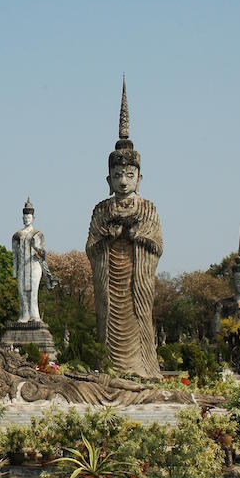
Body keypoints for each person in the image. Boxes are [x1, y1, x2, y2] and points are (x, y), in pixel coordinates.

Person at [86, 79, 163, 380]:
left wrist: (135, 236)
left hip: (136, 280)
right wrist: (108, 236)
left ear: (139, 178)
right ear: (108, 179)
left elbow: (157, 245)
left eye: (129, 175)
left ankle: (143, 368)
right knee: (107, 321)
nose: (123, 180)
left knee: (141, 317)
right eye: (117, 175)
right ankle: (107, 366)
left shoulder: (148, 208)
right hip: (110, 281)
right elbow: (91, 247)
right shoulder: (101, 210)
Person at [12, 198, 56, 322]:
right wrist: (14, 271)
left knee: (33, 292)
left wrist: (37, 250)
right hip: (22, 267)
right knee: (22, 292)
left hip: (34, 266)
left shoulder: (38, 234)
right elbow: (14, 255)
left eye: (29, 217)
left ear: (33, 218)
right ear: (22, 218)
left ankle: (35, 316)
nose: (27, 219)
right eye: (25, 217)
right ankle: (24, 315)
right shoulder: (17, 235)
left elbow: (43, 254)